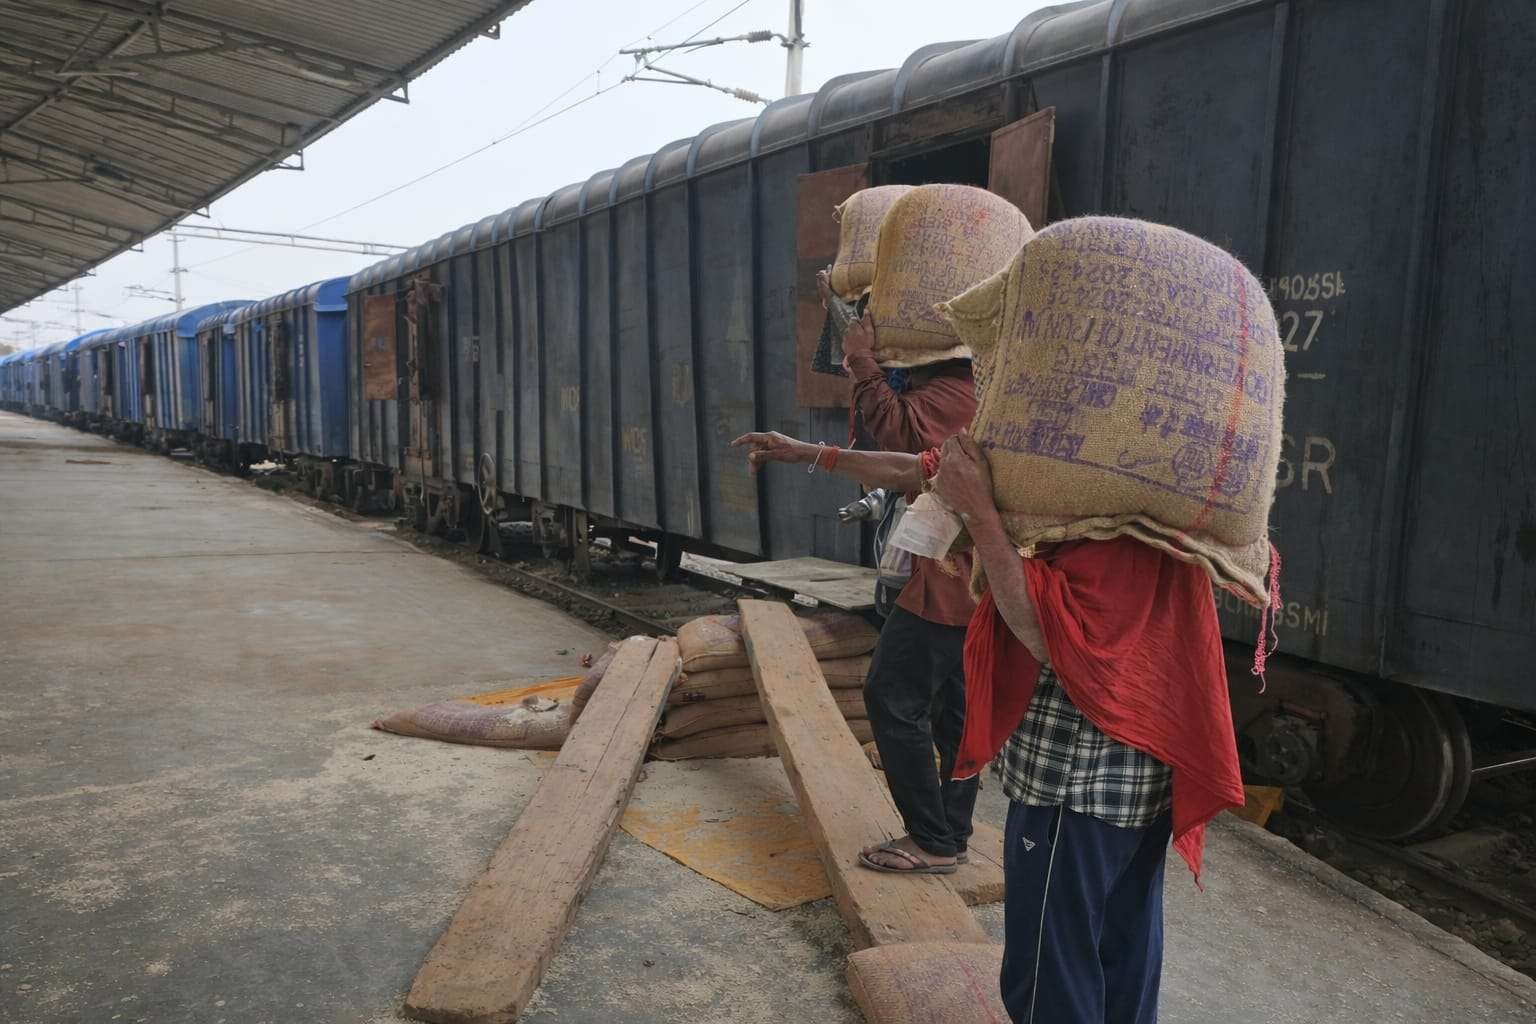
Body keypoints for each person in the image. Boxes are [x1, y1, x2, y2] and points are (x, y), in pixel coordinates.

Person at [731, 430, 1244, 1024]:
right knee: (1119, 950)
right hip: (1143, 767)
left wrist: (979, 513)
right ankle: (940, 835)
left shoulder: (1105, 509)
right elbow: (923, 469)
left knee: (1051, 971)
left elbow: (1052, 638)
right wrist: (814, 454)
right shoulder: (1131, 483)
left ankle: (934, 837)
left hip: (1079, 777)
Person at [818, 271, 980, 877]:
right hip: (959, 578)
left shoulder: (953, 392)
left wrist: (862, 361)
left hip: (947, 580)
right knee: (953, 709)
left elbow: (897, 439)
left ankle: (932, 839)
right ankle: (951, 832)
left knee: (891, 695)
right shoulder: (955, 385)